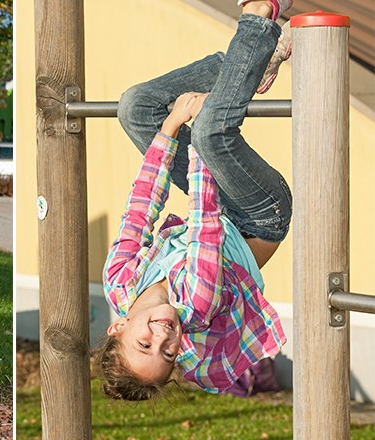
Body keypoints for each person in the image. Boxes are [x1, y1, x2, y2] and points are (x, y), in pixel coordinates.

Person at [98, 0, 293, 401]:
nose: (163, 338)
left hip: (218, 209)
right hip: (260, 215)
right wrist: (194, 129)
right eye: (168, 354)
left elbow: (139, 212)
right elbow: (204, 222)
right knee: (208, 135)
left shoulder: (120, 285)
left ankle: (253, 58)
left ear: (117, 327)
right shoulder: (196, 307)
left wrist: (170, 126)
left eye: (144, 344)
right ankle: (261, 15)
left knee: (136, 107)